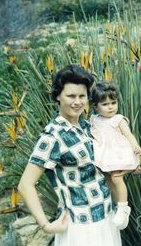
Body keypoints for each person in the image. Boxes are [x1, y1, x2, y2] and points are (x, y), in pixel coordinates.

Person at [18, 64, 121, 246]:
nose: (77, 102)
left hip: (105, 215)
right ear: (58, 96)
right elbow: (25, 185)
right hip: (80, 226)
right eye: (71, 96)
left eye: (82, 96)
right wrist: (46, 225)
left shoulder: (89, 126)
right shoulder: (53, 136)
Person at [90, 81, 141, 230]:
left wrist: (135, 145)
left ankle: (123, 207)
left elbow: (128, 134)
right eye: (105, 104)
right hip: (104, 156)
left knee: (116, 177)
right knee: (108, 179)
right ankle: (115, 204)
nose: (111, 107)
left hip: (118, 154)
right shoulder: (95, 119)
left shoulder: (118, 119)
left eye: (113, 102)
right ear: (96, 106)